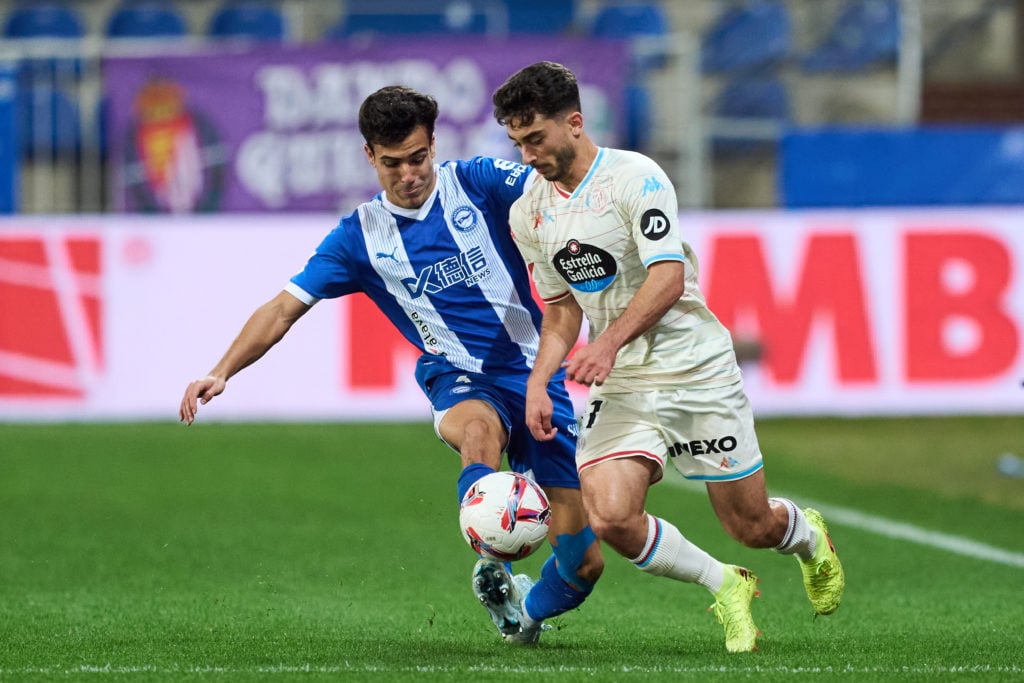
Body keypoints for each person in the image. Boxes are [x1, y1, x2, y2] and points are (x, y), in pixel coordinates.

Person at [178, 85, 603, 644]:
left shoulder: (478, 182)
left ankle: (522, 609)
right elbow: (284, 307)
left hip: (536, 376)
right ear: (370, 157)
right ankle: (490, 539)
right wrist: (222, 369)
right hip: (457, 376)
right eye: (393, 163)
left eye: (419, 158)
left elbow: (558, 185)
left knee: (583, 566)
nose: (409, 174)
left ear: (434, 145)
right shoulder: (359, 237)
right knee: (478, 434)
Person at [492, 62, 844, 654]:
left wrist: (605, 343)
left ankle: (809, 539)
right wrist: (538, 382)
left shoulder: (636, 178)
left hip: (694, 368)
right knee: (610, 516)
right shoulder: (528, 212)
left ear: (574, 123)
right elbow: (559, 311)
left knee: (750, 524)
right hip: (623, 380)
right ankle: (726, 584)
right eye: (516, 142)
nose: (527, 155)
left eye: (535, 138)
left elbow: (669, 276)